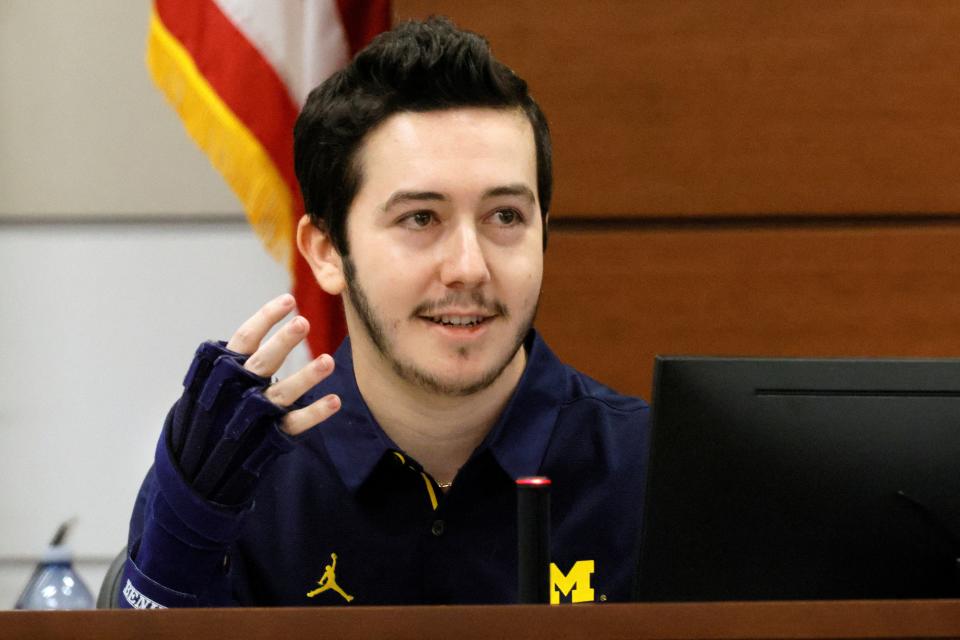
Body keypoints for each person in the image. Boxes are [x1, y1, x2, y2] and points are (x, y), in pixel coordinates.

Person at [119, 16, 649, 608]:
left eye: (505, 217)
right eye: (420, 218)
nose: (469, 267)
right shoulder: (239, 480)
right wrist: (187, 529)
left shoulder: (654, 472)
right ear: (327, 252)